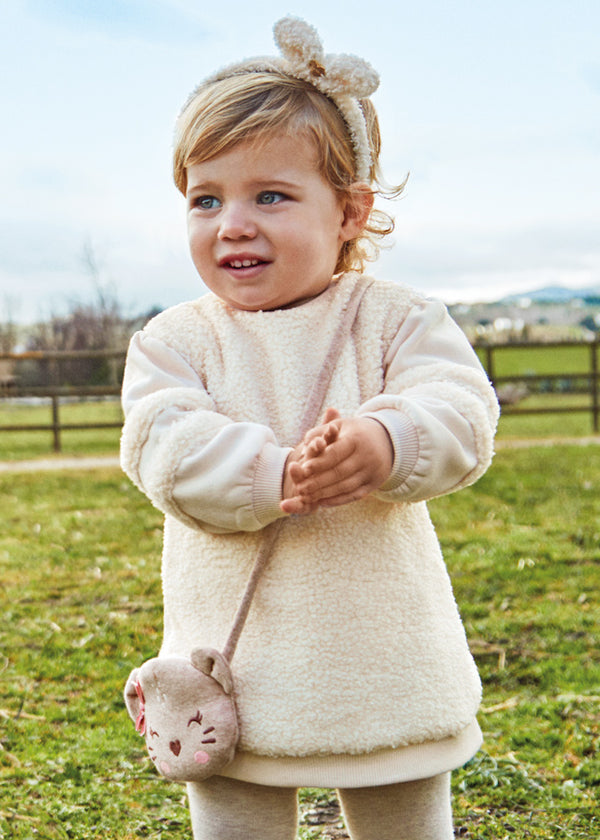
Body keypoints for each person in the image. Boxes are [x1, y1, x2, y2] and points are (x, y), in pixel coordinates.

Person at [120, 16, 500, 840]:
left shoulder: (398, 321)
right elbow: (161, 442)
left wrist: (388, 441)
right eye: (206, 198)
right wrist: (272, 473)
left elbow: (461, 411)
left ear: (350, 212)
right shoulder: (175, 340)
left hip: (385, 664)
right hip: (234, 665)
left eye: (272, 195)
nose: (233, 223)